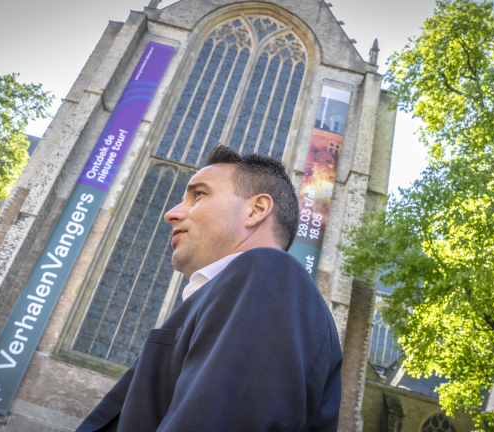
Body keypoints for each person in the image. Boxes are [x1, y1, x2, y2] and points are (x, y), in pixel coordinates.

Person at [76, 145, 342, 432]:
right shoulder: (237, 292)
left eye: (198, 195)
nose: (171, 214)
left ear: (256, 209)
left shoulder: (270, 275)